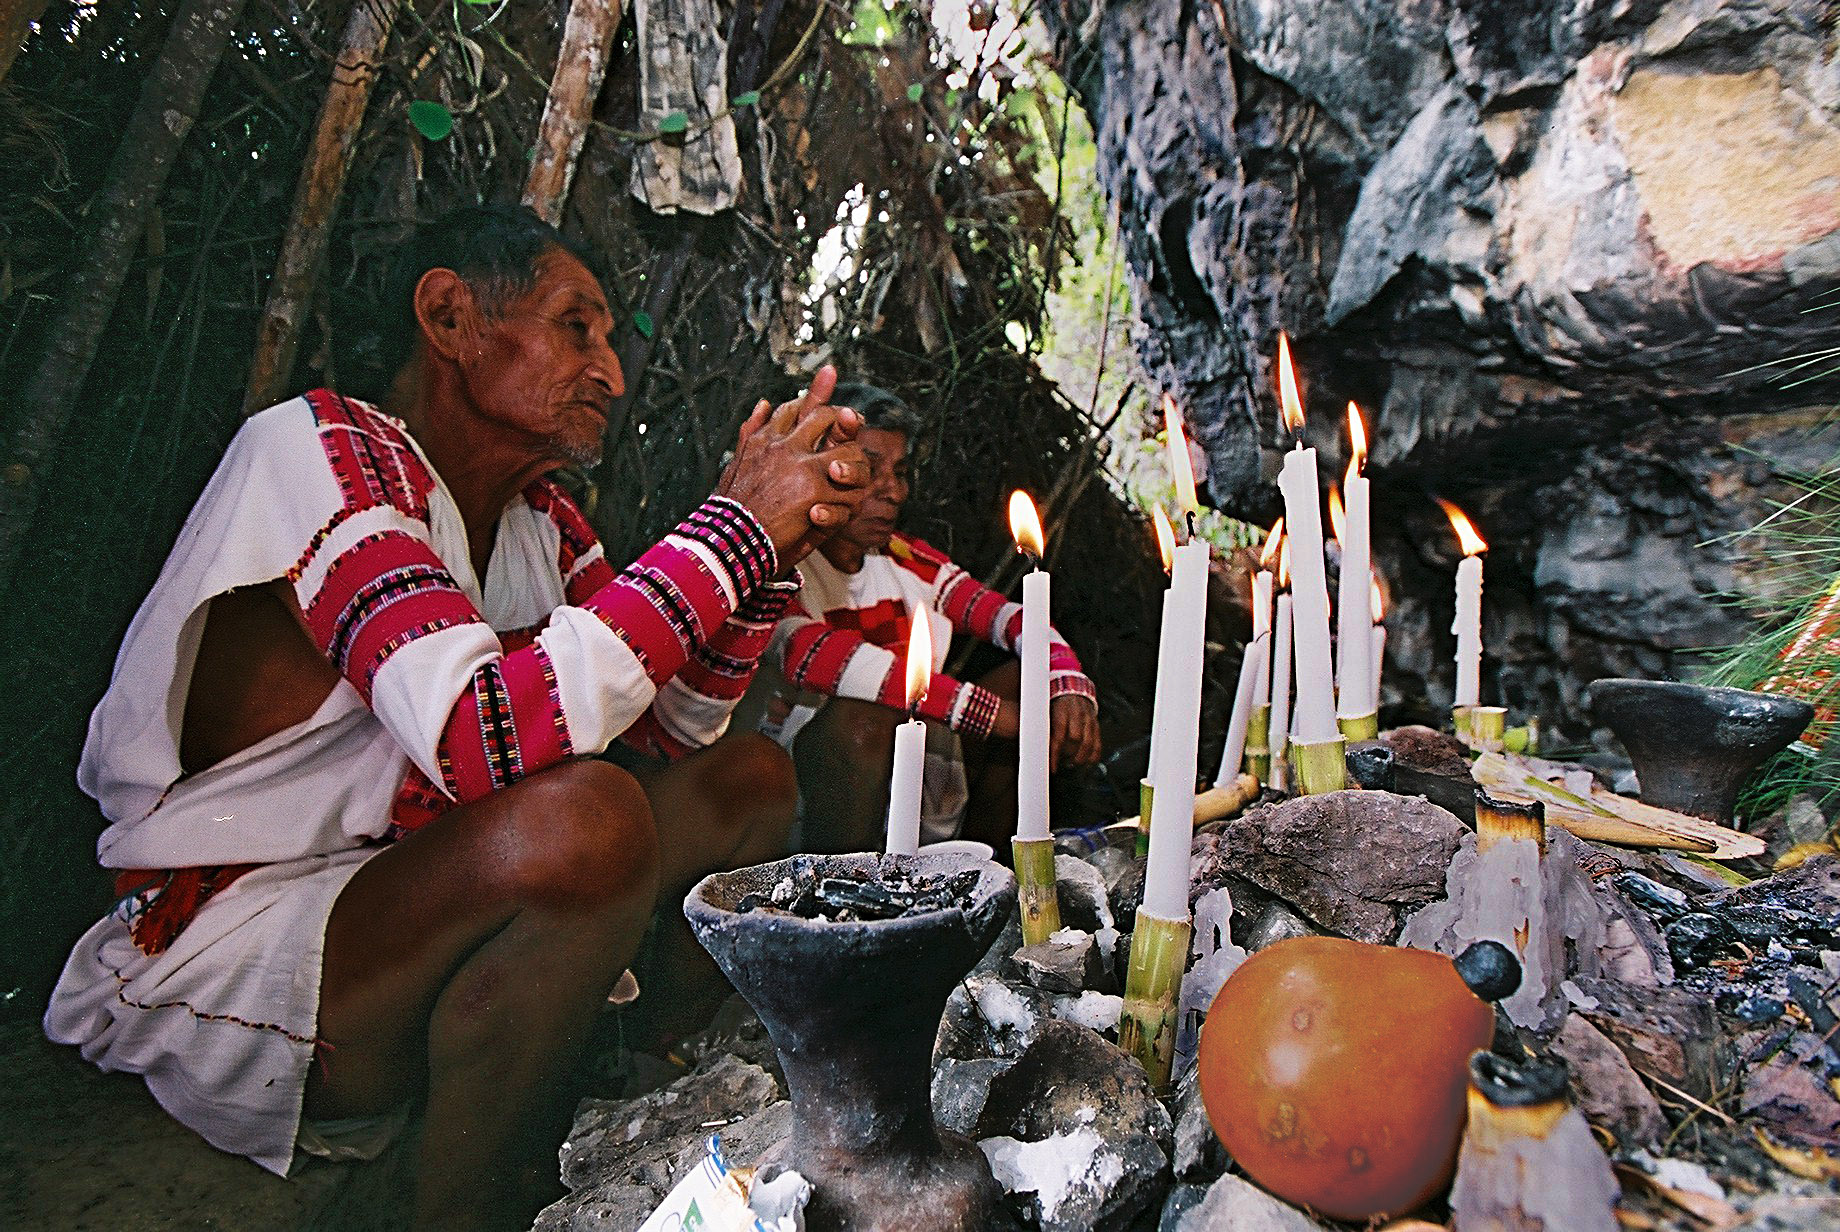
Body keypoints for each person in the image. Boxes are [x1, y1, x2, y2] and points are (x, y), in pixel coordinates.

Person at [43, 205, 869, 1231]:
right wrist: (733, 528)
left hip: (430, 892)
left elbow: (665, 738)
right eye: (576, 326)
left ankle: (635, 1091)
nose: (611, 373)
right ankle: (453, 1204)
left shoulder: (545, 525)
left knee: (747, 781)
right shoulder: (316, 449)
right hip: (243, 935)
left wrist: (766, 561)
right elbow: (479, 737)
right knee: (587, 821)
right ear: (449, 318)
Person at [762, 383, 1101, 853]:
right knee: (862, 720)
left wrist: (1066, 681)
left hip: (925, 781)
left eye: (900, 472)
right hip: (800, 802)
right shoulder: (781, 562)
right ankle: (843, 888)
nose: (893, 491)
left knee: (1031, 680)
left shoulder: (905, 557)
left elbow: (1007, 617)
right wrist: (997, 717)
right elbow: (819, 656)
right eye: (870, 468)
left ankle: (995, 867)